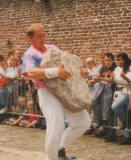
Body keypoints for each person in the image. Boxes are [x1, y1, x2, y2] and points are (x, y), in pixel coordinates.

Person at [22, 23, 90, 160]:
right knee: (56, 124)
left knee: (84, 122)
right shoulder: (29, 54)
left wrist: (79, 72)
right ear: (30, 38)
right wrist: (54, 72)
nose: (42, 38)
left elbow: (66, 63)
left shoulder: (52, 48)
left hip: (65, 90)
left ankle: (60, 148)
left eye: (43, 35)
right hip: (47, 92)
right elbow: (31, 72)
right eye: (39, 36)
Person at [110, 52, 131, 145]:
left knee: (115, 106)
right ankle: (127, 137)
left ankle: (125, 123)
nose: (120, 61)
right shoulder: (117, 69)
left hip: (128, 92)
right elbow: (113, 80)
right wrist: (112, 77)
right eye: (119, 60)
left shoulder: (130, 68)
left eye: (122, 59)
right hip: (119, 92)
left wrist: (124, 77)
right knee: (125, 113)